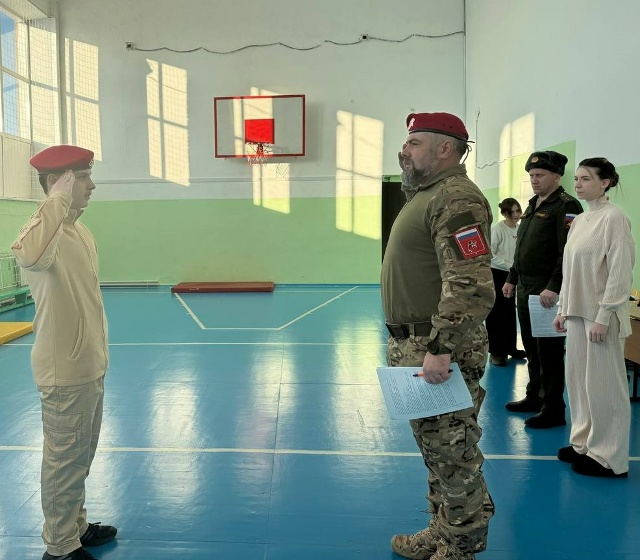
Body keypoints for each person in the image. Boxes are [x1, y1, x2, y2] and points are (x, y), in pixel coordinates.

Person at [382, 112, 495, 560]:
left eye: (414, 142)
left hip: (438, 347)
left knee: (454, 452)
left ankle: (461, 546)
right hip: (416, 344)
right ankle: (442, 531)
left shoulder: (455, 198)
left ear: (445, 148)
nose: (404, 150)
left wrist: (441, 347)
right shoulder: (426, 194)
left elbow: (470, 283)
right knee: (436, 448)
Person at [11, 146, 117, 560]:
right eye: (83, 177)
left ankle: (75, 526)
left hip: (90, 364)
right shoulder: (41, 233)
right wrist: (56, 198)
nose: (92, 185)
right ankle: (59, 547)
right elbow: (30, 255)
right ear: (60, 183)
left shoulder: (79, 231)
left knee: (79, 457)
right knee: (64, 460)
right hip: (64, 372)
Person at [553, 158, 635, 478]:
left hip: (601, 316)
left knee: (604, 387)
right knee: (578, 384)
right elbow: (570, 269)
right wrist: (563, 308)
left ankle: (609, 457)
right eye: (576, 178)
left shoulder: (614, 218)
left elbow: (619, 271)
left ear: (605, 183)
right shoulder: (581, 221)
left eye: (585, 179)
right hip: (577, 313)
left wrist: (604, 315)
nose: (578, 184)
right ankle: (583, 444)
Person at [503, 151, 583, 429]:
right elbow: (522, 247)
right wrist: (512, 277)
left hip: (546, 290)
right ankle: (534, 396)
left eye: (540, 175)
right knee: (531, 348)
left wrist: (554, 286)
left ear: (557, 176)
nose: (534, 180)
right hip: (525, 287)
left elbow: (567, 252)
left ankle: (553, 409)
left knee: (549, 351)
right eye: (531, 175)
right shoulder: (533, 204)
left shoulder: (566, 206)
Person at [486, 198, 526, 366]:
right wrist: (510, 266)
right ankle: (496, 352)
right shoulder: (497, 230)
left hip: (513, 275)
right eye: (513, 211)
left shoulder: (520, 229)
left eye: (518, 211)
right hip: (498, 274)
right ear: (505, 213)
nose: (516, 214)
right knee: (497, 313)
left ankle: (511, 348)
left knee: (510, 313)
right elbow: (490, 254)